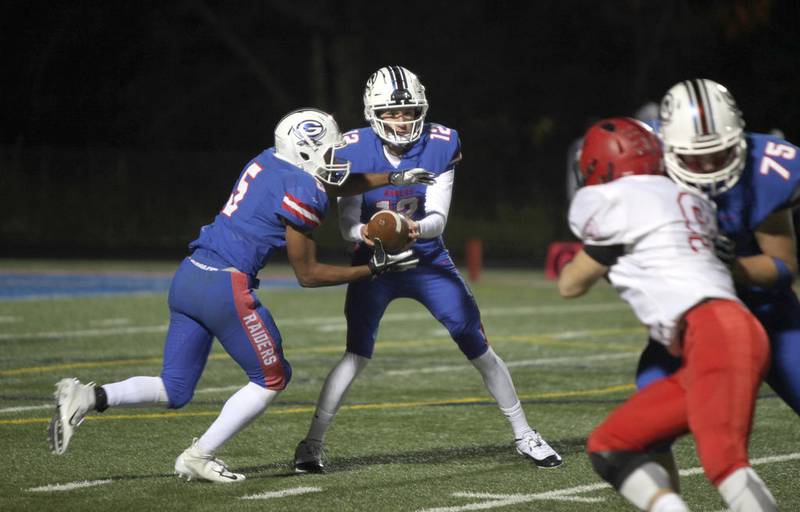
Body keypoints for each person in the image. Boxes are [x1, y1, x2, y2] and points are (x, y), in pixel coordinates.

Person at [48, 108, 436, 483]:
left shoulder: (270, 160)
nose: (336, 159)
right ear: (306, 151)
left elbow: (331, 181)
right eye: (329, 151)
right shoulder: (303, 189)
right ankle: (198, 455)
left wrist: (392, 175)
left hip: (190, 275)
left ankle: (89, 396)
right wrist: (373, 269)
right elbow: (308, 274)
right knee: (272, 377)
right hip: (225, 286)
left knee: (175, 388)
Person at [293, 65, 562, 474]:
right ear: (373, 113)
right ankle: (311, 444)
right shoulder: (349, 148)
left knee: (477, 345)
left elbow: (438, 217)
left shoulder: (440, 142)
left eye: (408, 112)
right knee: (356, 354)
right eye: (392, 113)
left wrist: (412, 228)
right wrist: (365, 231)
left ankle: (524, 433)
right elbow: (346, 222)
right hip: (375, 263)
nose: (401, 121)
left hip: (426, 258)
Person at [558, 117, 777, 511]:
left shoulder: (614, 201)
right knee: (612, 446)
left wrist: (583, 260)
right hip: (714, 338)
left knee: (726, 464)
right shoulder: (688, 198)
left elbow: (570, 285)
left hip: (715, 332)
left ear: (597, 164)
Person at [636, 79, 800, 414]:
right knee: (648, 417)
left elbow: (783, 267)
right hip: (689, 315)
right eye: (697, 159)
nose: (710, 168)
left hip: (765, 309)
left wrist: (732, 267)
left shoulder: (764, 170)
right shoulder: (642, 161)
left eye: (720, 153)